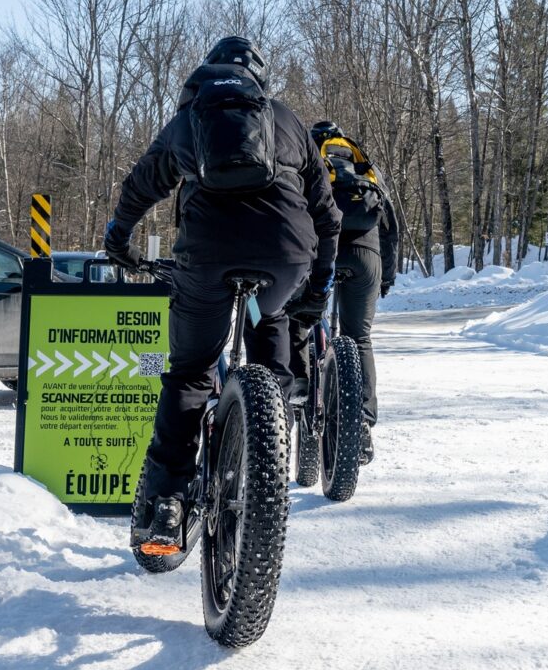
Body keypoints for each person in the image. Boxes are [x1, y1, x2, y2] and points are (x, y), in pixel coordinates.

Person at [104, 36, 341, 553]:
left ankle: (167, 502)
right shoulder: (286, 118)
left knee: (191, 372)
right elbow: (326, 213)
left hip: (207, 259)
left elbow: (141, 185)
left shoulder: (191, 119)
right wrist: (317, 284)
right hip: (285, 256)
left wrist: (118, 238)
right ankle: (268, 455)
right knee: (270, 318)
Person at [290, 120, 398, 463]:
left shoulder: (306, 163)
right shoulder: (365, 167)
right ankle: (363, 426)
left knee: (300, 321)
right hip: (367, 257)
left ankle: (301, 390)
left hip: (320, 253)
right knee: (359, 337)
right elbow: (389, 227)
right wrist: (385, 277)